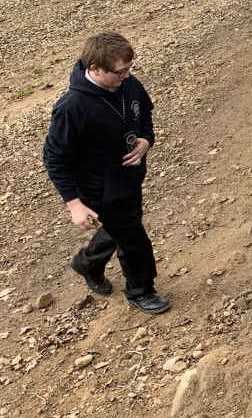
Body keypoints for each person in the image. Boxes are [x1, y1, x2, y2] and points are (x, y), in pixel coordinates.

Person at [43, 31, 170, 315]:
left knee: (122, 226)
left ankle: (86, 263)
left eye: (129, 69)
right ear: (95, 69)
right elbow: (54, 158)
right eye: (120, 72)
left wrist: (146, 140)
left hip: (128, 178)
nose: (127, 76)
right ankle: (140, 291)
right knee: (135, 241)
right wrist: (74, 205)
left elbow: (145, 115)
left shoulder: (128, 83)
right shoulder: (71, 108)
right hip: (99, 189)